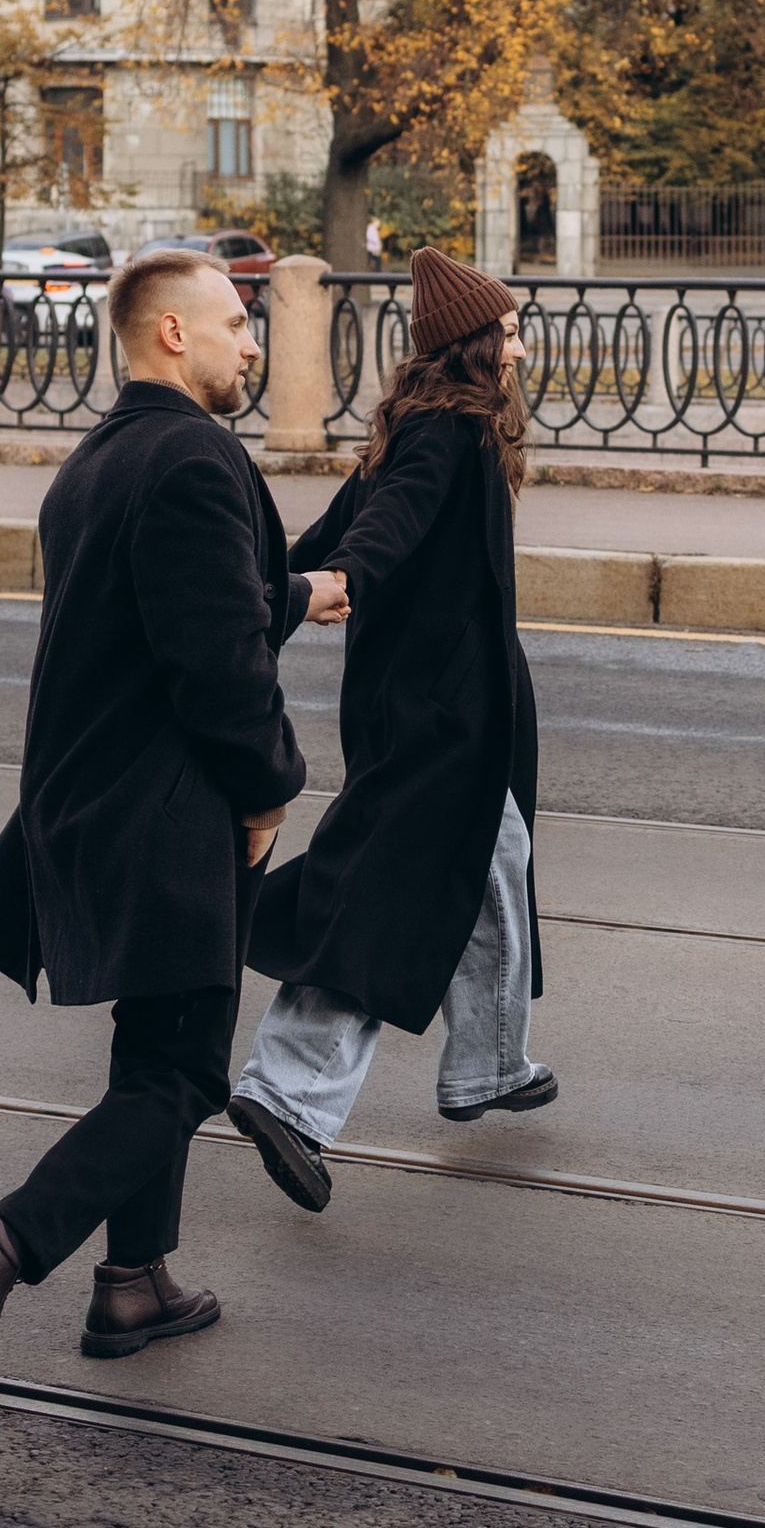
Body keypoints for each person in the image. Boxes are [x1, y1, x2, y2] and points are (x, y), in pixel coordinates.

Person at [0, 249, 349, 1431]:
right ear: (170, 337)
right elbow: (216, 663)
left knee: (153, 1047)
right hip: (172, 811)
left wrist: (305, 592)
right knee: (184, 1072)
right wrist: (269, 792)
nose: (253, 343)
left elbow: (199, 598)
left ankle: (135, 1284)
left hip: (91, 807)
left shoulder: (99, 463)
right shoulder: (199, 459)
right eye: (237, 323)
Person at [227, 246, 548, 1210]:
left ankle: (489, 1064)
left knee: (496, 860)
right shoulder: (447, 433)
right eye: (512, 331)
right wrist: (325, 588)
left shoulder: (427, 425)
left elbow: (334, 527)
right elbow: (377, 534)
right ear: (477, 344)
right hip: (438, 708)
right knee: (384, 892)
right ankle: (287, 1092)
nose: (523, 347)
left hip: (453, 699)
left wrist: (274, 584)